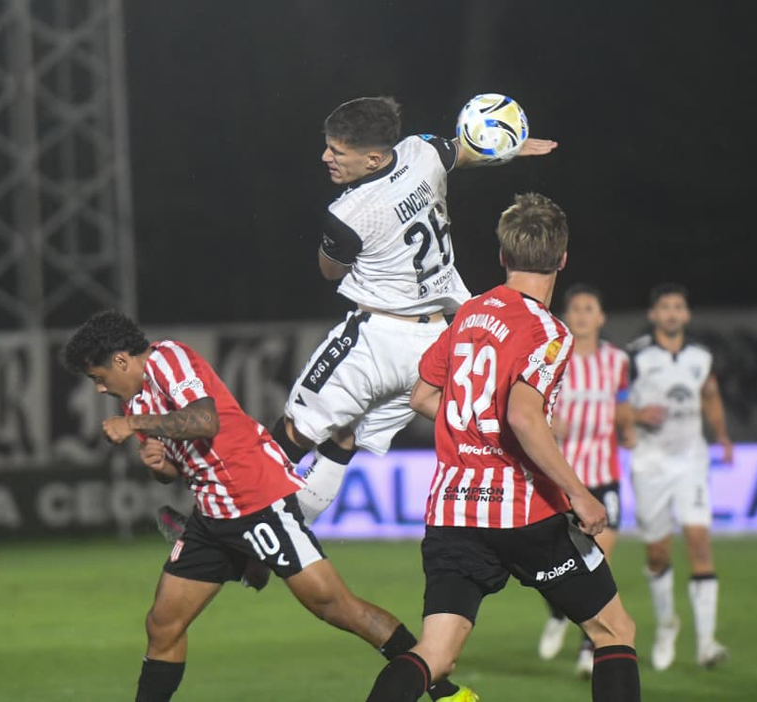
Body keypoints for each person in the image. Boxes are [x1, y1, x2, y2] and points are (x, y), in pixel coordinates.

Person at [61, 310, 476, 702]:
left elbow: (207, 421)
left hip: (257, 499)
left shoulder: (168, 360)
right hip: (212, 513)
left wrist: (136, 425)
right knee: (162, 625)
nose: (99, 388)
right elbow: (172, 468)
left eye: (98, 377)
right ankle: (248, 565)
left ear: (120, 360)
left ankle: (444, 690)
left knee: (337, 608)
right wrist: (159, 465)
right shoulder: (135, 403)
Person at [365, 193, 641, 702]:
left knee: (435, 654)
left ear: (502, 257)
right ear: (562, 259)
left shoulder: (469, 314)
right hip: (523, 516)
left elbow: (424, 396)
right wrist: (579, 493)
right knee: (613, 630)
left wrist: (473, 424)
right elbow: (522, 414)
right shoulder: (548, 333)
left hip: (451, 510)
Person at [273, 96, 557, 525]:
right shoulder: (421, 153)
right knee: (343, 438)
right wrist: (504, 147)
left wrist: (334, 244)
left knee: (292, 433)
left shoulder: (347, 214)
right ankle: (280, 538)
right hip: (437, 342)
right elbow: (463, 152)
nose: (325, 157)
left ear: (372, 159)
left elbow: (330, 272)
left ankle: (218, 532)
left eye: (337, 151)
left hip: (378, 339)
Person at [627, 283, 733, 671]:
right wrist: (637, 417)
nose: (672, 313)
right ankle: (667, 624)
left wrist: (721, 435)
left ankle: (707, 643)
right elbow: (617, 402)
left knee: (700, 543)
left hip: (691, 461)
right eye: (665, 307)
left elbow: (710, 395)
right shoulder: (636, 356)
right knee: (657, 554)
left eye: (678, 307)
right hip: (650, 464)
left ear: (686, 315)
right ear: (654, 314)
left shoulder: (700, 357)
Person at [536, 284, 633, 679]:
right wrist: (549, 421)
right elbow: (531, 405)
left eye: (588, 308)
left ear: (601, 317)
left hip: (604, 477)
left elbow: (624, 406)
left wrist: (630, 428)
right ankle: (558, 613)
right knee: (547, 564)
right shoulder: (554, 357)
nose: (581, 315)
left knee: (600, 563)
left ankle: (588, 648)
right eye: (574, 308)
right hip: (562, 477)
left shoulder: (617, 361)